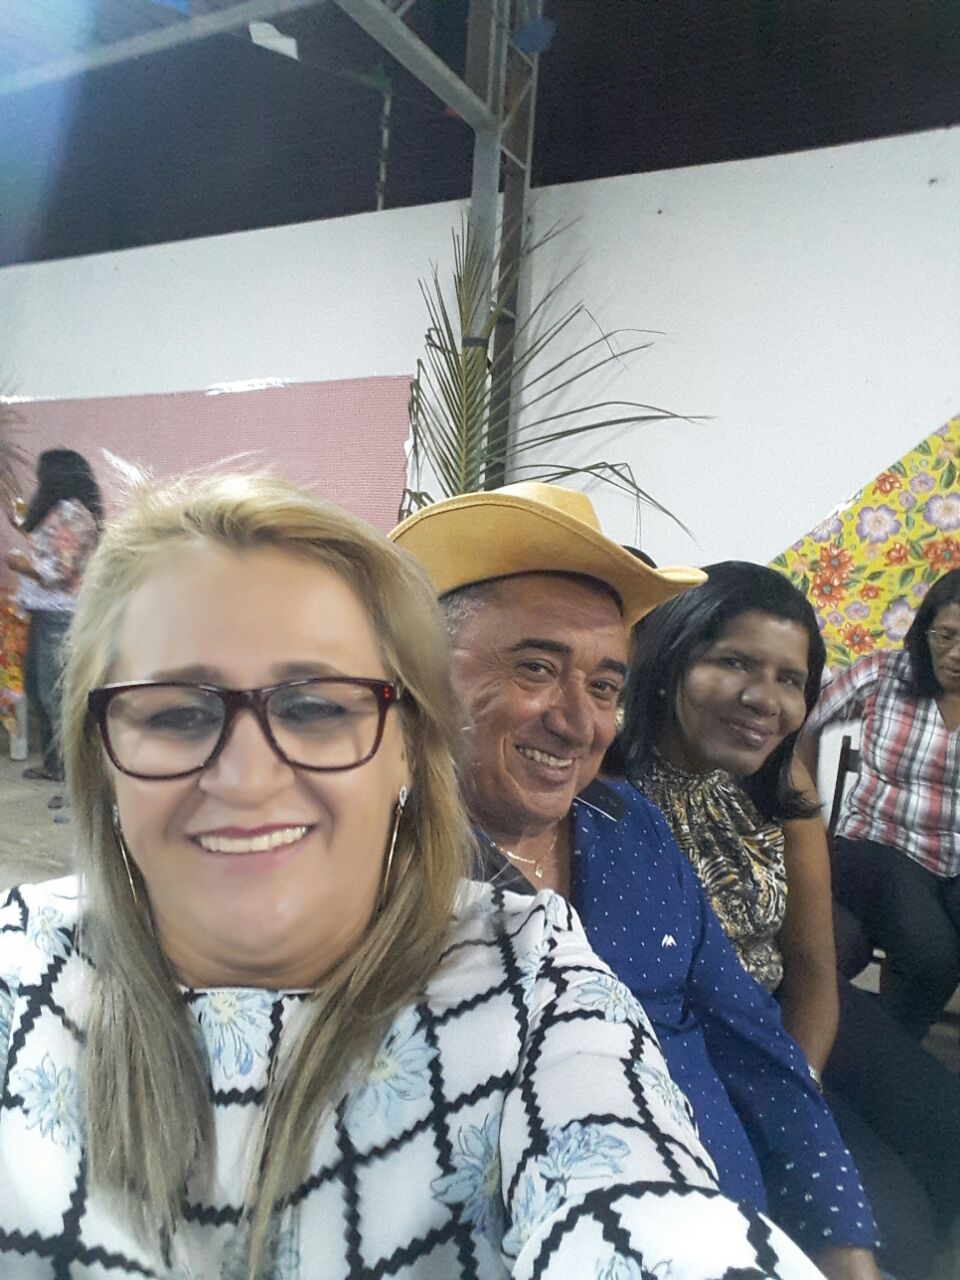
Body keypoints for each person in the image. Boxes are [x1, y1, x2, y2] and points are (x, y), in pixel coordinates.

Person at [0, 472, 825, 1280]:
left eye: (316, 707)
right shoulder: (25, 973)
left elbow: (638, 1185)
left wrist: (834, 1223)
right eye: (179, 713)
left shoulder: (534, 968)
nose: (247, 780)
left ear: (405, 743)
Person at [392, 481, 881, 1280]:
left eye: (603, 686)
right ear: (424, 672)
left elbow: (757, 1045)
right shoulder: (381, 870)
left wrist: (842, 1238)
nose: (576, 721)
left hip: (739, 1230)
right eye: (536, 668)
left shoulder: (630, 827)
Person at [620, 560, 960, 1280]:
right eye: (733, 662)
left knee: (947, 1137)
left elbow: (811, 969)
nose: (763, 699)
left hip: (784, 1010)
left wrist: (798, 1083)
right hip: (693, 1041)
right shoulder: (610, 788)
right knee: (891, 1234)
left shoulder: (781, 780)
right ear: (671, 661)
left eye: (789, 679)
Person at [798, 567, 960, 1040]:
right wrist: (807, 817)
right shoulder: (886, 674)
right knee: (931, 957)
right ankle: (879, 1054)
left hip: (953, 858)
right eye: (947, 636)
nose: (957, 653)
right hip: (879, 844)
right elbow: (805, 725)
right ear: (926, 631)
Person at [5, 448, 102, 784]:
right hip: (46, 612)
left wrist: (23, 566)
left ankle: (67, 768)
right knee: (38, 688)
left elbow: (61, 571)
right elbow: (53, 549)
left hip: (60, 616)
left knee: (52, 695)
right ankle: (55, 764)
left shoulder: (71, 515)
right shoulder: (61, 512)